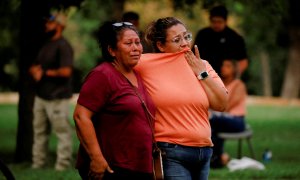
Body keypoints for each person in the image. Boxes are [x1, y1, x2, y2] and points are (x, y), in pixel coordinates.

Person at [135, 17, 228, 180]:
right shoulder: (145, 64)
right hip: (171, 150)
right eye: (177, 40)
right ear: (160, 45)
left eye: (186, 36)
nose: (185, 43)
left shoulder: (203, 65)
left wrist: (202, 73)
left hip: (204, 151)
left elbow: (221, 104)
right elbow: (116, 63)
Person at [73, 21, 155, 180]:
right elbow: (81, 117)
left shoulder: (137, 74)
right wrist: (96, 158)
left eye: (138, 42)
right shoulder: (102, 75)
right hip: (112, 167)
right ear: (111, 50)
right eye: (128, 43)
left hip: (140, 165)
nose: (136, 48)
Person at [29, 12, 74, 171]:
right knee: (39, 132)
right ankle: (38, 164)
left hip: (57, 97)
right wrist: (34, 70)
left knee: (62, 132)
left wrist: (44, 72)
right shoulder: (46, 44)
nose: (47, 25)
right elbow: (37, 66)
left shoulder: (64, 45)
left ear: (60, 26)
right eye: (47, 22)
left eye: (50, 23)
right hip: (41, 96)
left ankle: (62, 166)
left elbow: (66, 72)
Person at [209, 59, 247, 168]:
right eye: (223, 65)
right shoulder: (218, 83)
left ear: (234, 69)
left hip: (237, 121)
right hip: (221, 119)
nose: (223, 68)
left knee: (211, 119)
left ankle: (217, 157)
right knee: (211, 126)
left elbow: (226, 106)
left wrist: (216, 104)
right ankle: (217, 158)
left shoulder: (238, 85)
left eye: (228, 66)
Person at [194, 5, 248, 75]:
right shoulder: (202, 35)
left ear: (225, 21)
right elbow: (193, 55)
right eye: (214, 21)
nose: (216, 25)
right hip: (204, 75)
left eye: (219, 22)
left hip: (226, 78)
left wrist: (233, 78)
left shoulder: (235, 37)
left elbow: (243, 61)